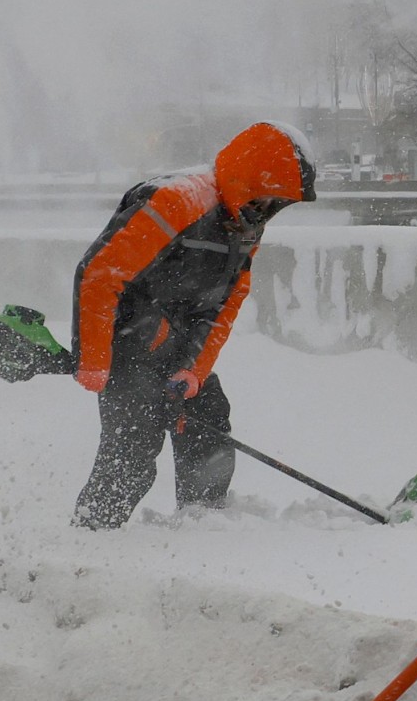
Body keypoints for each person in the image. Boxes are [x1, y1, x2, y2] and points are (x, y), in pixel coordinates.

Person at [69, 122, 316, 528]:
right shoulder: (179, 201)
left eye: (277, 202)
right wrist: (94, 360)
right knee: (133, 449)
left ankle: (201, 525)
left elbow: (226, 303)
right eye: (267, 196)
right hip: (128, 342)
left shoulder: (245, 224)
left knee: (208, 421)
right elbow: (100, 275)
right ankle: (90, 534)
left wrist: (194, 370)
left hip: (175, 344)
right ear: (247, 179)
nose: (269, 208)